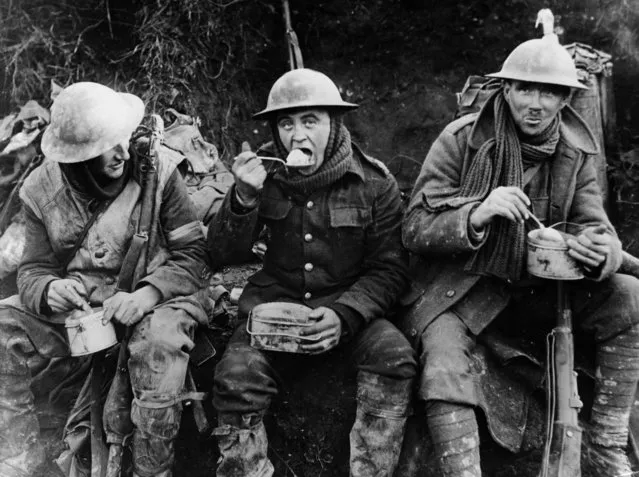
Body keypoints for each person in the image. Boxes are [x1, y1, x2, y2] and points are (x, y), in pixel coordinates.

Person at [401, 30, 639, 477]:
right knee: (443, 355)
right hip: (467, 290)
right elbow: (413, 227)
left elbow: (595, 227)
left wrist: (600, 249)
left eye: (550, 92)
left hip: (543, 295)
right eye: (525, 88)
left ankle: (606, 450)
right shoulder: (461, 140)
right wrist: (476, 214)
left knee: (629, 295)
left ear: (566, 98)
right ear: (505, 89)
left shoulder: (577, 150)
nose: (536, 103)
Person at [207, 68, 417, 476]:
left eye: (310, 121)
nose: (297, 135)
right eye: (286, 123)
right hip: (272, 312)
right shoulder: (263, 177)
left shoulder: (374, 184)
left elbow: (389, 269)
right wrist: (243, 197)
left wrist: (345, 315)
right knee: (234, 378)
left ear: (334, 124)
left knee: (394, 357)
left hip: (345, 309)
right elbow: (220, 255)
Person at [0, 82, 211, 477]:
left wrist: (147, 295)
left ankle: (153, 470)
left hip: (156, 299)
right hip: (86, 315)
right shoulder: (40, 190)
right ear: (77, 159)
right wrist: (49, 289)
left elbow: (194, 257)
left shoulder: (159, 172)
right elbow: (31, 271)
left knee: (159, 346)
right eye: (106, 147)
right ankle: (17, 462)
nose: (124, 152)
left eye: (123, 139)